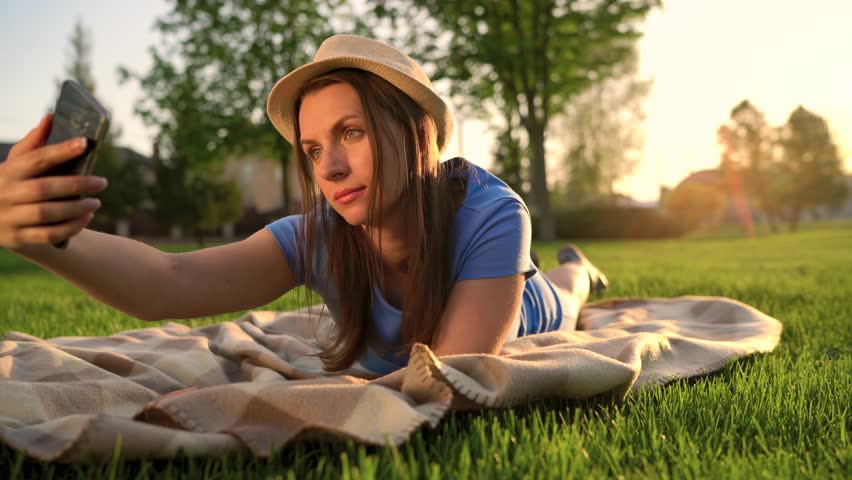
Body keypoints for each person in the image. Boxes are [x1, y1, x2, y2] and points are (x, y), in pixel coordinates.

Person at [0, 34, 607, 375]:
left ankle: (576, 269)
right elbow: (170, 279)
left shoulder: (493, 213)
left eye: (352, 132)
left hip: (525, 304)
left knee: (565, 292)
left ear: (415, 134)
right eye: (314, 149)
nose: (331, 168)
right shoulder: (319, 234)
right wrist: (40, 236)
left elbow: (450, 376)